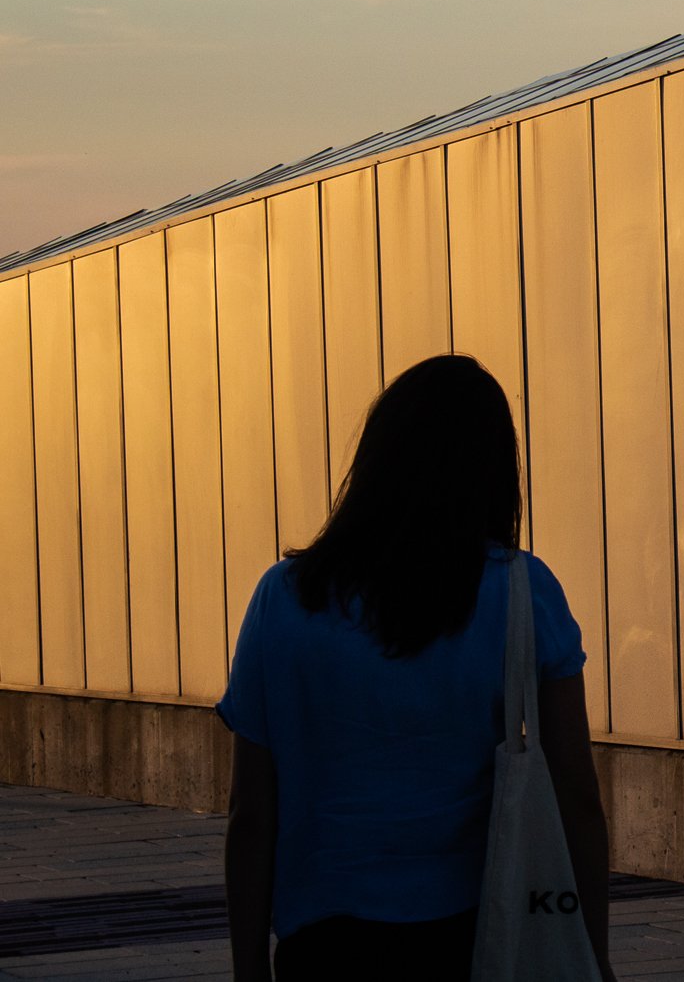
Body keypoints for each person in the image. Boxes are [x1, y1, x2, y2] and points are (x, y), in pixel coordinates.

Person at [218, 354, 615, 982]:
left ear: (375, 460)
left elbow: (251, 814)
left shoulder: (283, 598)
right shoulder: (521, 592)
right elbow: (576, 795)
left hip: (323, 943)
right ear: (493, 471)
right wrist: (594, 954)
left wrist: (247, 970)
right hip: (475, 935)